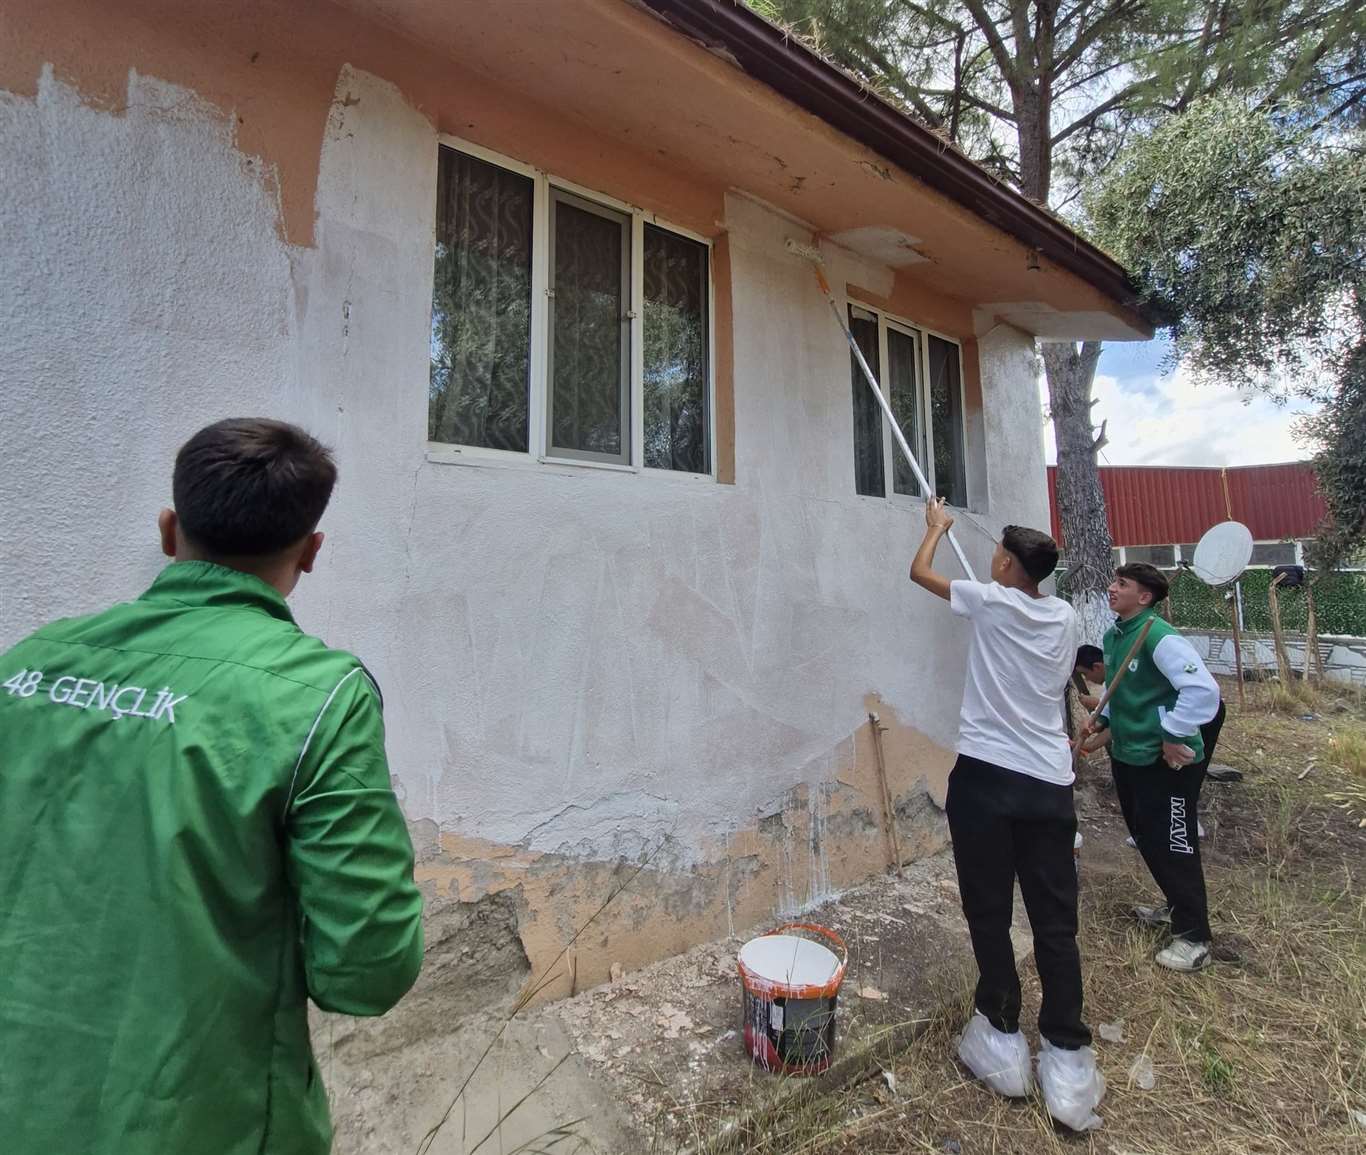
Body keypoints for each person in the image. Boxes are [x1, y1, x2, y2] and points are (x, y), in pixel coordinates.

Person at [0, 418, 425, 1154]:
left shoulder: (28, 663)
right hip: (197, 1118)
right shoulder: (320, 696)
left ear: (170, 529)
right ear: (311, 551)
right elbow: (367, 968)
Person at [911, 499, 1103, 1130]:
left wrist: (936, 529)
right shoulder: (1064, 615)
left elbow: (920, 574)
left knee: (989, 912)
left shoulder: (990, 601)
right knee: (1054, 921)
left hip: (989, 780)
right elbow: (1013, 616)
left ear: (1008, 563)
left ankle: (1000, 1035)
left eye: (1000, 554)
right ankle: (1068, 1060)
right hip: (1050, 786)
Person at [1084, 563, 1223, 971]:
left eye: (1121, 584)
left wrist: (1172, 734)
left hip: (1167, 763)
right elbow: (1127, 693)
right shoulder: (1115, 636)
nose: (1112, 588)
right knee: (1146, 836)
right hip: (1129, 755)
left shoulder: (1158, 635)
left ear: (1144, 598)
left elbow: (1203, 691)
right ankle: (1175, 906)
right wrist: (1103, 721)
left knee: (1175, 844)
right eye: (1114, 581)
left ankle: (1194, 939)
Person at [1074, 645, 1216, 847]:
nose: (1087, 680)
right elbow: (1112, 719)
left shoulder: (1126, 672)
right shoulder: (1116, 676)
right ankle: (1161, 828)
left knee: (1182, 769)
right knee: (1167, 774)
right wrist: (1087, 742)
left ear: (1097, 667)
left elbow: (1117, 722)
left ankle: (1184, 825)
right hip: (1174, 716)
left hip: (1200, 714)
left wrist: (1089, 743)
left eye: (1085, 674)